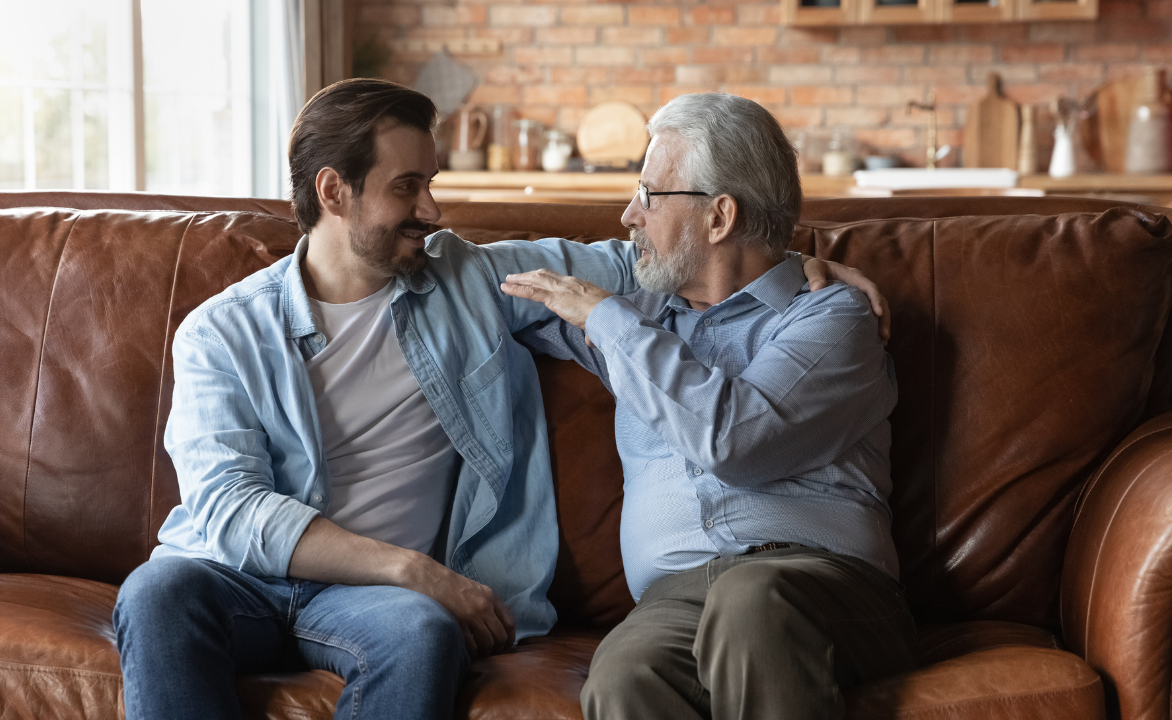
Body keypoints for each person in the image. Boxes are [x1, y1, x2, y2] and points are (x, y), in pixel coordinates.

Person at [113, 79, 888, 720]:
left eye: (433, 183)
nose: (435, 211)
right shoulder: (220, 331)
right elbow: (227, 506)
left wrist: (809, 262)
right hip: (244, 580)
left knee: (423, 635)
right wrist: (412, 569)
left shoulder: (468, 281)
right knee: (158, 591)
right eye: (407, 187)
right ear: (333, 192)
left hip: (376, 608)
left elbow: (662, 260)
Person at [501, 92, 915, 720]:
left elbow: (735, 441)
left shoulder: (833, 317)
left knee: (751, 601)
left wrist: (608, 321)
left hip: (822, 581)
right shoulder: (639, 313)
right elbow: (469, 282)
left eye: (648, 195)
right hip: (674, 599)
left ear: (720, 217)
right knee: (622, 675)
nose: (627, 215)